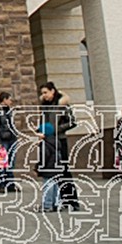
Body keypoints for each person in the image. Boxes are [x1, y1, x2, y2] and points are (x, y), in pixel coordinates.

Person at [39, 82, 78, 210]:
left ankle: (71, 201)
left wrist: (56, 129)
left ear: (52, 91)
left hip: (60, 141)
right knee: (51, 172)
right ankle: (56, 201)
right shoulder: (45, 106)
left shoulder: (61, 105)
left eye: (45, 92)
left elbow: (72, 122)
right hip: (47, 141)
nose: (44, 95)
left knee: (64, 171)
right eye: (42, 93)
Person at [0, 91, 17, 193]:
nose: (11, 101)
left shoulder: (8, 111)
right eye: (9, 99)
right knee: (1, 164)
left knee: (10, 163)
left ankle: (10, 185)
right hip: (2, 140)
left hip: (11, 139)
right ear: (4, 100)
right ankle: (1, 185)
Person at [35, 122, 62, 212]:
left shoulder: (44, 144)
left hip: (48, 168)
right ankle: (56, 204)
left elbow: (44, 157)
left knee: (48, 186)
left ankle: (47, 205)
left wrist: (38, 167)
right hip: (56, 168)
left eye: (40, 132)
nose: (38, 134)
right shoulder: (56, 142)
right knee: (55, 186)